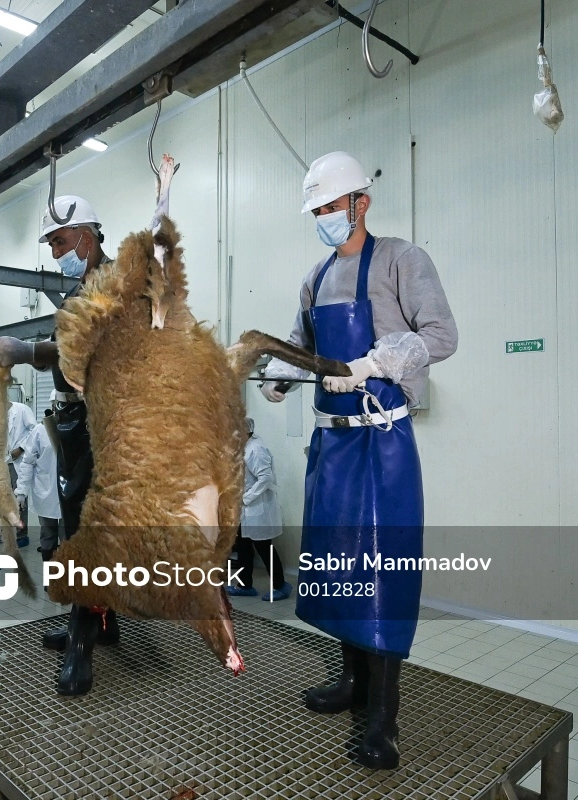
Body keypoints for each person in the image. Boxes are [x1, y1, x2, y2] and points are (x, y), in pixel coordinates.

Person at [260, 152, 457, 769]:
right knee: (336, 564)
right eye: (314, 210)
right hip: (332, 443)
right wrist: (278, 375)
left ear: (360, 203)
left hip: (382, 443)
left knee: (382, 574)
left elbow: (442, 337)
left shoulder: (402, 260)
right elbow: (301, 348)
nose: (321, 218)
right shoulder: (315, 277)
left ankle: (384, 714)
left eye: (328, 207)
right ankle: (352, 683)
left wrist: (375, 364)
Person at [0, 195, 118, 696]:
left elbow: (84, 352)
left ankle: (82, 646)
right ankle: (99, 624)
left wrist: (28, 351)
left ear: (86, 235)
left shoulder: (110, 286)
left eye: (60, 241)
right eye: (51, 243)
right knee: (74, 528)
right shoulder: (81, 289)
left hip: (97, 425)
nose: (55, 252)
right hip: (72, 423)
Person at [227, 418, 290, 600]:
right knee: (244, 548)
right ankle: (245, 585)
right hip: (245, 509)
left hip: (256, 507)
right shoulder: (243, 447)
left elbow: (265, 478)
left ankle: (280, 586)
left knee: (265, 548)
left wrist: (246, 498)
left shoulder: (256, 449)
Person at [15, 401, 61, 560]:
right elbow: (28, 462)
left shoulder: (81, 427)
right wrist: (21, 491)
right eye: (57, 404)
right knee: (48, 537)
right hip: (46, 493)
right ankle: (50, 579)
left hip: (71, 496)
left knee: (70, 538)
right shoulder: (41, 430)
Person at [6, 399, 36, 547]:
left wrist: (21, 448)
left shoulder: (22, 410)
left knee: (19, 498)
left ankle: (21, 535)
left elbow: (34, 431)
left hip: (19, 461)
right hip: (3, 462)